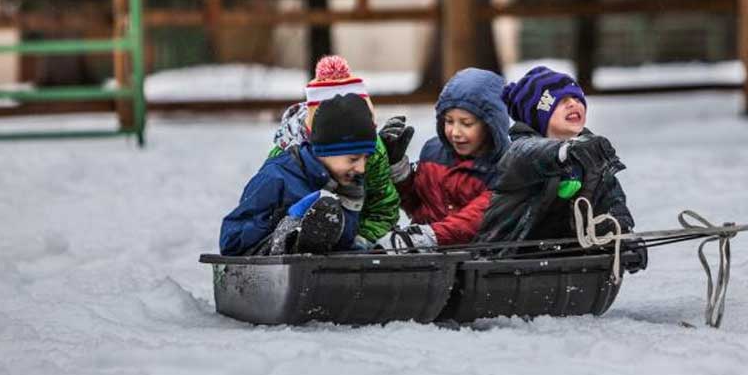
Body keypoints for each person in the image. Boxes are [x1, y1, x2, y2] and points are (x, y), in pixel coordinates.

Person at [477, 66, 646, 271]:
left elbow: (610, 201)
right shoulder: (520, 153)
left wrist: (624, 237)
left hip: (571, 261)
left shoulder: (590, 154)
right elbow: (533, 152)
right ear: (538, 116)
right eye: (561, 101)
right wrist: (565, 151)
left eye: (576, 98)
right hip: (504, 263)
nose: (573, 103)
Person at [220, 93, 377, 256]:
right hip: (270, 268)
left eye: (366, 158)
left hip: (323, 273)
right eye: (353, 159)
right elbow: (232, 242)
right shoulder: (277, 177)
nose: (361, 168)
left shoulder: (349, 185)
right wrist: (283, 220)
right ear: (324, 151)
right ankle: (291, 239)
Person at [270, 55, 400, 247]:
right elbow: (265, 211)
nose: (361, 166)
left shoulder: (372, 152)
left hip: (356, 237)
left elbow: (383, 206)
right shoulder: (285, 154)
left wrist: (362, 239)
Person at [375, 67, 510, 250]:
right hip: (426, 259)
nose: (455, 132)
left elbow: (475, 220)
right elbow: (416, 202)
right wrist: (397, 169)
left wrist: (424, 238)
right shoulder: (433, 152)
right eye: (448, 121)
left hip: (475, 261)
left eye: (466, 123)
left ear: (491, 124)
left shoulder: (505, 166)